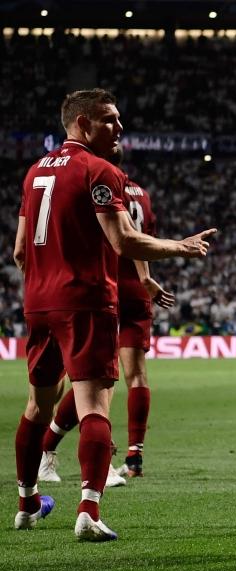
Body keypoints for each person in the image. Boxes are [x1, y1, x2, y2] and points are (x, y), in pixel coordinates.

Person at [13, 88, 215, 541]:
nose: (119, 128)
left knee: (36, 406)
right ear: (82, 123)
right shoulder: (101, 170)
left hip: (39, 303)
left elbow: (19, 250)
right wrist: (180, 248)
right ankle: (88, 509)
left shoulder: (34, 172)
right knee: (95, 405)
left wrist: (44, 281)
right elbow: (123, 242)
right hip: (85, 301)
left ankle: (26, 503)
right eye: (109, 120)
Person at [37, 149, 174, 484]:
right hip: (135, 291)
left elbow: (118, 239)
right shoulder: (142, 194)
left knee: (95, 381)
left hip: (105, 288)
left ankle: (49, 452)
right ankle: (133, 455)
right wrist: (144, 279)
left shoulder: (94, 186)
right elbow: (138, 240)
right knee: (134, 377)